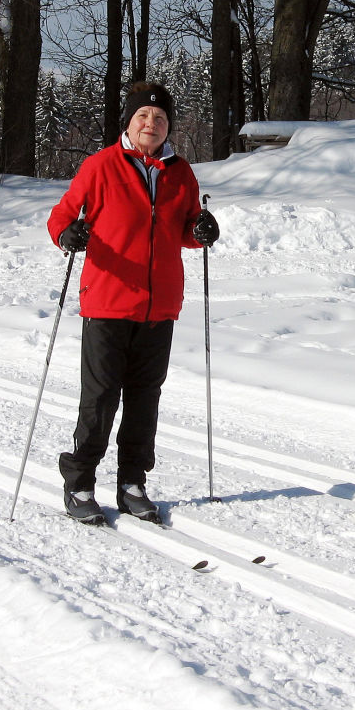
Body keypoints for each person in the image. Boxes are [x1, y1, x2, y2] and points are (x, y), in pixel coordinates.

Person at [47, 81, 220, 525]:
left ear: (168, 128)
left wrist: (200, 232)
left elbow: (183, 229)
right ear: (129, 121)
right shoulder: (101, 166)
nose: (152, 124)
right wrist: (68, 235)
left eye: (160, 119)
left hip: (159, 305)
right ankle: (81, 482)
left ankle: (131, 482)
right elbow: (63, 215)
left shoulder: (180, 172)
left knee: (145, 397)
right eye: (144, 116)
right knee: (101, 396)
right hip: (108, 299)